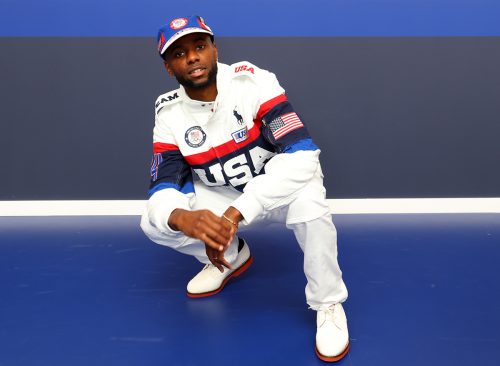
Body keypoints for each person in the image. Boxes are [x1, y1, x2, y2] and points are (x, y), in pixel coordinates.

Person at [140, 15, 350, 362]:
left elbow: (301, 155)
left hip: (275, 190)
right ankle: (233, 256)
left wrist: (236, 214)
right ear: (168, 67)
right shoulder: (168, 113)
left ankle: (328, 303)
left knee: (311, 205)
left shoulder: (253, 82)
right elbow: (163, 182)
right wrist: (180, 216)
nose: (192, 57)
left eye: (199, 46)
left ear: (214, 49)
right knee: (155, 221)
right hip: (226, 195)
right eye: (179, 54)